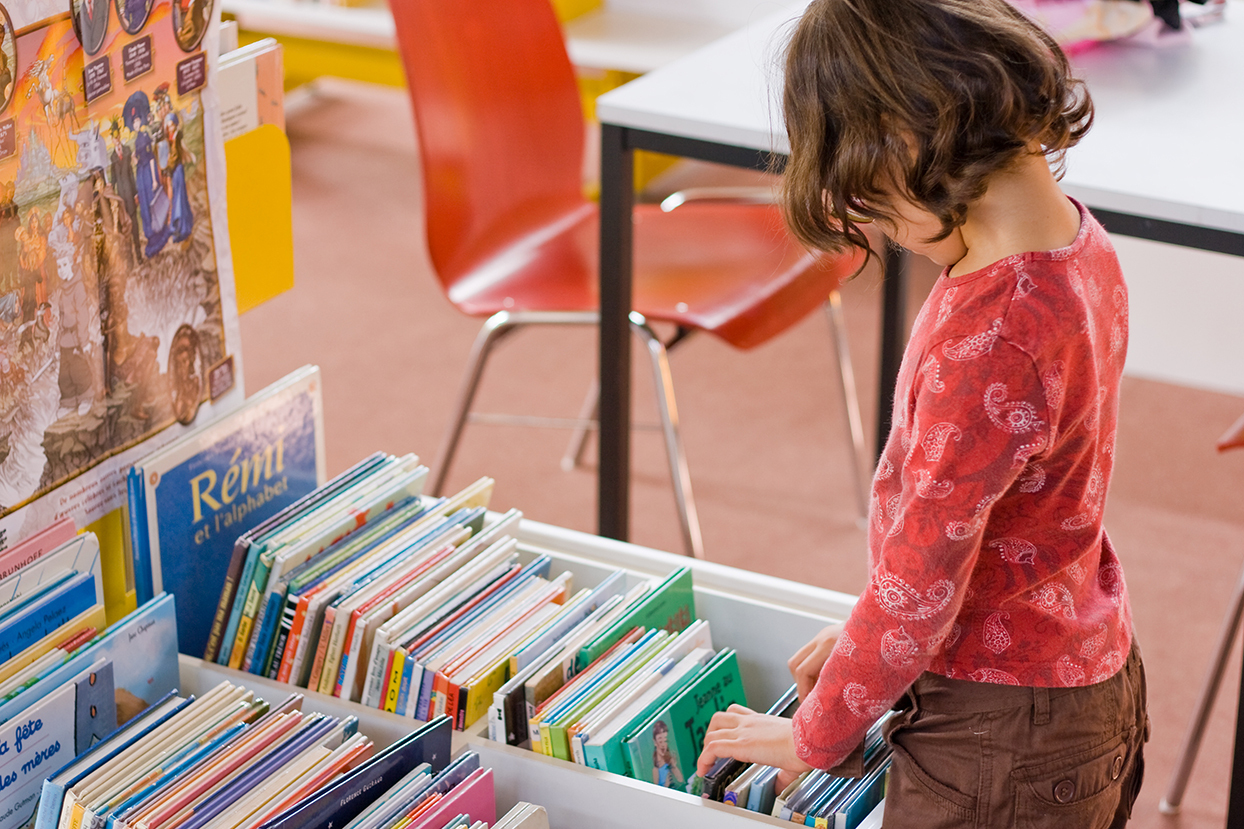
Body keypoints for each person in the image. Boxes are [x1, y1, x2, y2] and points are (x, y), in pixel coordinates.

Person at [696, 1, 1149, 827]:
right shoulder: (1079, 245)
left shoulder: (994, 338)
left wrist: (815, 732)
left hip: (1000, 737)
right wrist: (875, 649)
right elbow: (997, 521)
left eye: (873, 204)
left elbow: (921, 581)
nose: (888, 236)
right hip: (1078, 672)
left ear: (905, 142)